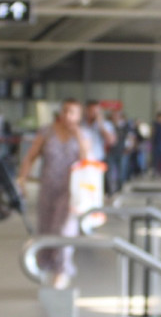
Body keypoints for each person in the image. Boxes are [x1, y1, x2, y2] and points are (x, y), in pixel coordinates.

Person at [16, 99, 89, 289]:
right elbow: (30, 156)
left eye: (72, 112)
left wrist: (78, 136)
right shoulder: (47, 132)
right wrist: (22, 179)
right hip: (48, 189)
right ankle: (47, 270)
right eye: (65, 111)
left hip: (70, 193)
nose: (67, 116)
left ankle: (62, 271)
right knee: (46, 230)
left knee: (65, 230)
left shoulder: (83, 135)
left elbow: (88, 162)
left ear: (79, 116)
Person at [81, 100, 117, 195]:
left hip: (99, 160)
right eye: (91, 111)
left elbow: (111, 141)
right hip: (82, 162)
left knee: (99, 189)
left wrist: (100, 125)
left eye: (96, 112)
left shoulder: (105, 125)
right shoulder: (80, 125)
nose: (93, 114)